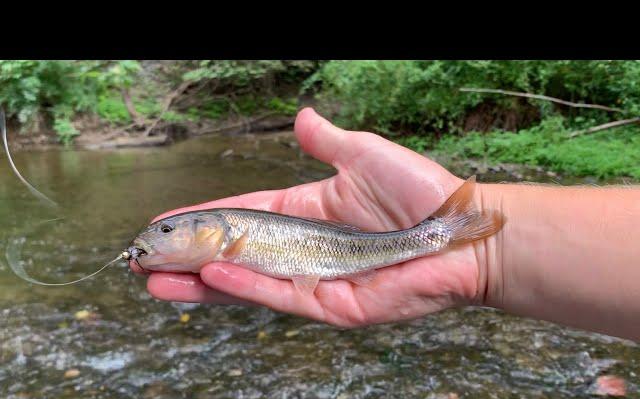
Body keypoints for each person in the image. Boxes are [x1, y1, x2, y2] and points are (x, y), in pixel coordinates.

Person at [136, 107, 640, 342]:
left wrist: (493, 255)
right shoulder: (222, 241)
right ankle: (455, 234)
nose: (158, 238)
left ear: (209, 229)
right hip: (349, 251)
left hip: (365, 245)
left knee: (443, 230)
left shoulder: (230, 233)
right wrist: (494, 258)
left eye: (165, 232)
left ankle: (445, 233)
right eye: (162, 234)